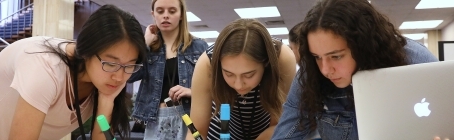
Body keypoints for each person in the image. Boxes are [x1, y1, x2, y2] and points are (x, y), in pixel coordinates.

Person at [0, 4, 147, 140]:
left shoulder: (105, 80)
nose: (119, 77)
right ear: (86, 50)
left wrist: (106, 101)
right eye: (111, 63)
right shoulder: (44, 67)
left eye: (130, 65)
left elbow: (102, 135)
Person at [271, 0, 438, 139]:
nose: (325, 70)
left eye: (336, 56)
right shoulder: (312, 74)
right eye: (317, 57)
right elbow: (286, 134)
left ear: (364, 47)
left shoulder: (415, 62)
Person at [187, 18, 297, 140]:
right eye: (229, 74)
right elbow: (197, 131)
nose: (238, 85)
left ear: (265, 64)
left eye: (248, 75)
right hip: (221, 130)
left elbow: (280, 125)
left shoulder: (281, 58)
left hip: (267, 132)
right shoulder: (207, 62)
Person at [127, 0, 208, 139]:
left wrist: (192, 92)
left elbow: (214, 87)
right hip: (155, 119)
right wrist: (144, 44)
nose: (165, 16)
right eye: (160, 11)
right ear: (153, 15)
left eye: (172, 11)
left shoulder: (199, 47)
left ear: (181, 14)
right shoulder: (149, 49)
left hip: (189, 116)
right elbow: (128, 75)